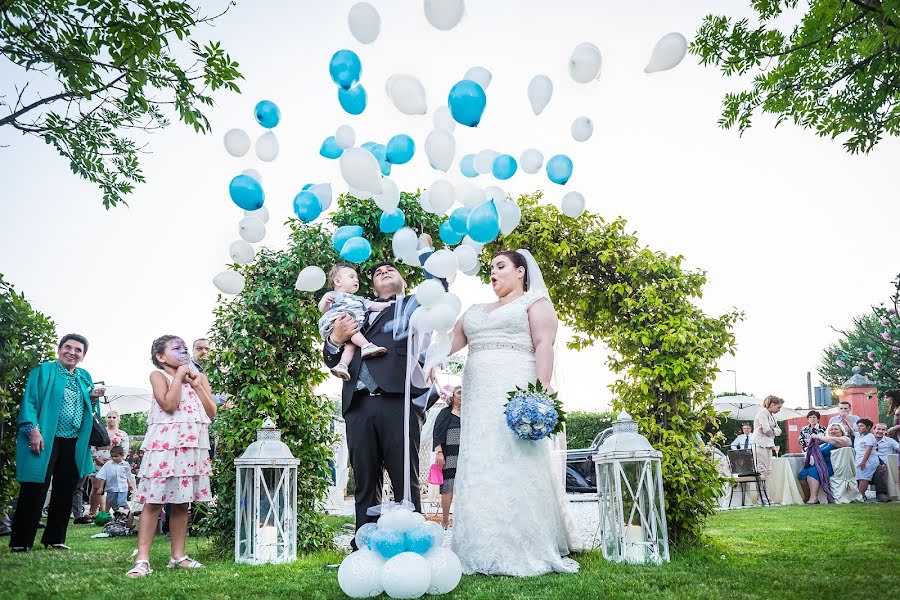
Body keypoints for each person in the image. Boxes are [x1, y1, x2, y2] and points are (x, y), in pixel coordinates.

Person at [445, 249, 582, 576]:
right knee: (479, 459)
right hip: (477, 398)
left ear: (521, 271)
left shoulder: (535, 304)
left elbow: (543, 344)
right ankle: (477, 545)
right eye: (491, 267)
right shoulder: (475, 310)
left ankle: (523, 544)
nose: (493, 272)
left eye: (501, 266)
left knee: (514, 458)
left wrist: (541, 388)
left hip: (515, 393)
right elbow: (449, 342)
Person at [323, 250, 439, 549]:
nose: (385, 270)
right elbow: (331, 358)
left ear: (403, 280)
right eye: (378, 272)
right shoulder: (352, 311)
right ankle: (365, 547)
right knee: (364, 481)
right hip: (358, 405)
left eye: (391, 269)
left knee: (405, 480)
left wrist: (425, 252)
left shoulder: (413, 307)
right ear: (371, 288)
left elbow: (438, 284)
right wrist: (335, 339)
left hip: (397, 402)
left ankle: (413, 548)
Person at [126, 335, 216, 577]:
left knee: (181, 503)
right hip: (164, 447)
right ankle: (142, 559)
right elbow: (169, 404)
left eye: (185, 347)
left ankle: (178, 556)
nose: (184, 351)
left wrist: (196, 385)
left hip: (190, 447)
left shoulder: (200, 378)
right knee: (153, 501)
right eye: (177, 348)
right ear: (161, 357)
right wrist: (178, 377)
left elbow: (211, 411)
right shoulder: (159, 376)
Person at [9, 334, 105, 552]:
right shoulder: (44, 371)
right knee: (35, 486)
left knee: (66, 488)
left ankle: (55, 538)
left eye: (78, 350)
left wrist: (92, 398)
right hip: (45, 437)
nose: (72, 352)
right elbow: (30, 401)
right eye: (67, 347)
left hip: (74, 440)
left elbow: (89, 410)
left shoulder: (84, 376)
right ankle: (21, 541)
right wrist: (33, 430)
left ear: (83, 355)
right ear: (59, 349)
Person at [319, 264, 395, 381]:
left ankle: (343, 365)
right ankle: (366, 345)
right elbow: (323, 310)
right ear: (338, 281)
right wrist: (326, 303)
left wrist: (387, 305)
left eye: (357, 279)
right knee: (351, 327)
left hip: (354, 326)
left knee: (351, 346)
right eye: (351, 277)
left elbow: (373, 305)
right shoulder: (332, 295)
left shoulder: (359, 299)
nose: (356, 280)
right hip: (339, 319)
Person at [87, 410, 130, 519]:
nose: (111, 419)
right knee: (96, 487)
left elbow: (124, 450)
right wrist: (96, 457)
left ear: (118, 419)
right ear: (106, 419)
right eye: (109, 417)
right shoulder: (99, 430)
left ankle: (108, 512)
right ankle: (93, 512)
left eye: (114, 417)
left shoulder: (123, 434)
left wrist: (113, 461)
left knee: (112, 488)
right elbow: (92, 444)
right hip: (98, 461)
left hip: (115, 464)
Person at [797, 423, 851, 503]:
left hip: (833, 466)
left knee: (813, 471)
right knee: (802, 474)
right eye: (831, 429)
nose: (833, 431)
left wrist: (818, 437)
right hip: (820, 464)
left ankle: (814, 498)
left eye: (836, 429)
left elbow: (836, 441)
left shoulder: (845, 439)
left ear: (841, 431)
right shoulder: (825, 443)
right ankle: (807, 497)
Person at [433, 386, 462, 529]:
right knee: (448, 487)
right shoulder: (445, 413)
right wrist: (439, 452)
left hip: (465, 456)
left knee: (464, 487)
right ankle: (445, 519)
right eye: (459, 392)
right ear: (453, 396)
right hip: (449, 455)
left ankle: (460, 520)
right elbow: (437, 433)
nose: (461, 395)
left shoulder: (469, 414)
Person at [752, 395, 784, 500]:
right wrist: (772, 430)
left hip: (769, 445)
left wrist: (773, 430)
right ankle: (762, 498)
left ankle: (766, 497)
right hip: (760, 445)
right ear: (772, 405)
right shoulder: (762, 413)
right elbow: (766, 430)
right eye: (778, 407)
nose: (779, 410)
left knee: (767, 471)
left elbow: (779, 431)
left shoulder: (772, 416)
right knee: (762, 471)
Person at [94, 446, 134, 511]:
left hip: (123, 488)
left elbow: (127, 476)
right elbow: (103, 476)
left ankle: (129, 514)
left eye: (116, 456)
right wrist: (101, 487)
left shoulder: (125, 465)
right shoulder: (108, 465)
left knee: (122, 502)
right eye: (112, 456)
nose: (114, 458)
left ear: (122, 455)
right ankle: (118, 514)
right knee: (112, 502)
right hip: (112, 488)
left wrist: (129, 484)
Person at [871, 422, 899, 502]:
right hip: (869, 463)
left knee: (879, 467)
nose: (880, 431)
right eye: (878, 429)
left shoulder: (890, 441)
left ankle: (881, 494)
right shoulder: (868, 440)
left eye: (883, 430)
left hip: (886, 465)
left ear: (886, 431)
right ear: (874, 430)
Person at [854, 418, 878, 496]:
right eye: (858, 426)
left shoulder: (870, 436)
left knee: (864, 478)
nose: (859, 428)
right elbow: (850, 430)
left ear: (868, 427)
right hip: (859, 460)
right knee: (859, 477)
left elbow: (868, 450)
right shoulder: (858, 435)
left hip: (868, 461)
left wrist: (863, 462)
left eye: (861, 426)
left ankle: (861, 495)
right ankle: (861, 495)